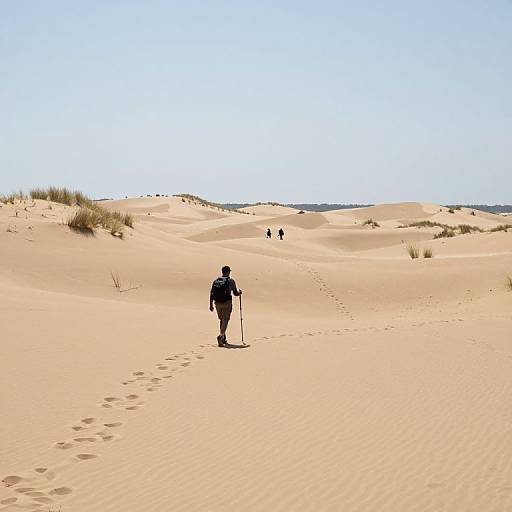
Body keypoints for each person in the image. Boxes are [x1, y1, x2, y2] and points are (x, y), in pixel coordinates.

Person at [209, 266, 242, 347]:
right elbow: (235, 293)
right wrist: (239, 292)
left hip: (217, 303)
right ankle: (221, 336)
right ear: (228, 272)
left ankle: (223, 338)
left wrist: (210, 304)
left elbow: (212, 292)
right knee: (225, 320)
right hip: (227, 303)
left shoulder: (216, 280)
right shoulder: (231, 281)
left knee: (221, 320)